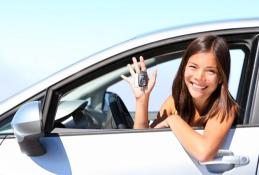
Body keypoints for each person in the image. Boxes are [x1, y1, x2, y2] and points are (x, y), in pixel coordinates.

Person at [121, 35, 239, 162]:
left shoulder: (225, 108)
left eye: (210, 71)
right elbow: (143, 143)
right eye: (193, 67)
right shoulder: (174, 102)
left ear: (221, 77)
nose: (199, 77)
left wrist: (173, 120)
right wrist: (142, 100)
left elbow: (204, 153)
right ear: (183, 68)